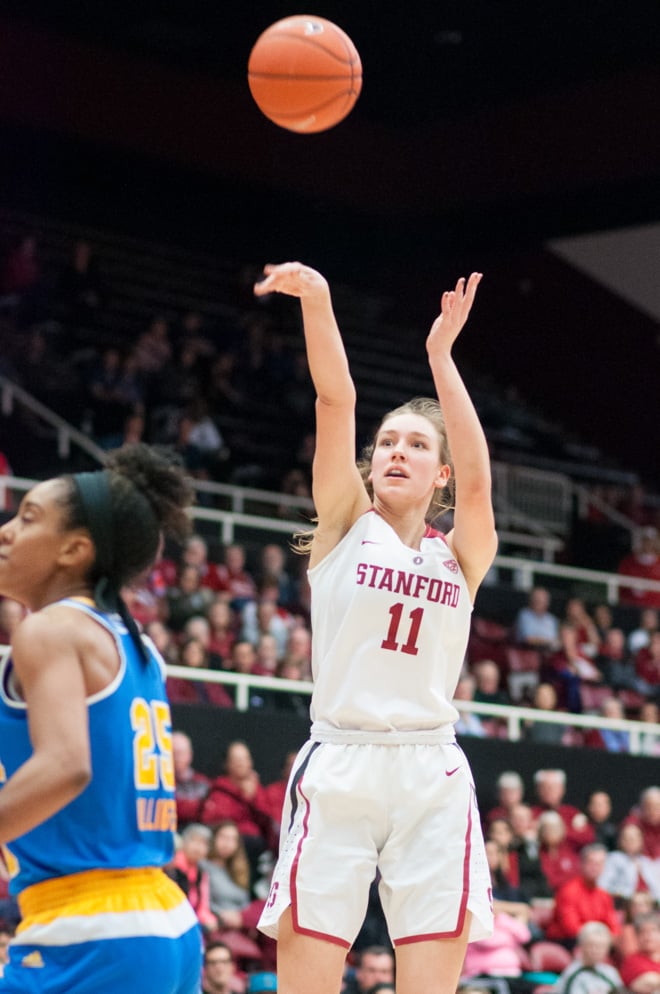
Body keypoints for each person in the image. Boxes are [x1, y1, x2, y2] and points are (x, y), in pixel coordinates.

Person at [253, 262, 497, 994]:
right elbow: (336, 397)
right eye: (388, 442)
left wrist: (441, 359)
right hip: (341, 760)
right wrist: (322, 300)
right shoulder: (344, 526)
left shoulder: (462, 553)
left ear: (439, 476)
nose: (396, 452)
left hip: (432, 771)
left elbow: (482, 478)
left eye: (417, 446)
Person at [0, 443, 202, 993]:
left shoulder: (49, 630)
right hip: (162, 919)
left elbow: (66, 766)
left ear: (75, 550)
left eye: (28, 517)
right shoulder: (131, 642)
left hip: (90, 930)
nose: (7, 531)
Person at [545, 844, 621, 948]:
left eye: (599, 863)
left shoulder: (604, 894)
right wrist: (598, 940)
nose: (595, 867)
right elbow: (571, 928)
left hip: (596, 943)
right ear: (581, 864)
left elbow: (613, 926)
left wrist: (611, 938)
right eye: (591, 862)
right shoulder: (568, 891)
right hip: (568, 943)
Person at [553, 921, 623, 994]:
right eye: (591, 945)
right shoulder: (572, 973)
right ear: (581, 946)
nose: (596, 951)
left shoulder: (611, 973)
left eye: (601, 947)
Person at [172, 729, 211, 829]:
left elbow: (211, 811)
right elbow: (170, 810)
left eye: (180, 753)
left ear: (189, 754)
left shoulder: (203, 782)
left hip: (200, 830)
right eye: (173, 753)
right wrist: (199, 806)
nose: (176, 758)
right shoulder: (163, 784)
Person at [619, 911, 660, 993]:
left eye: (653, 930)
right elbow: (646, 983)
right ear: (637, 937)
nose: (648, 936)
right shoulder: (632, 961)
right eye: (643, 932)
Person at [513, 587, 560, 652]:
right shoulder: (524, 615)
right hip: (527, 653)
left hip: (549, 655)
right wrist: (549, 642)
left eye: (542, 600)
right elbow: (528, 639)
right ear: (530, 600)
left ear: (547, 602)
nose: (538, 602)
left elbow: (557, 641)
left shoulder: (552, 619)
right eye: (536, 599)